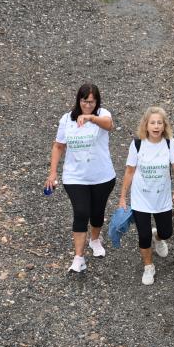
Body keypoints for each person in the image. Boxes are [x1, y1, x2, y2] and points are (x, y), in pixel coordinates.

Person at [45, 83, 116, 273]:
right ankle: (79, 257)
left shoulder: (102, 114)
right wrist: (53, 173)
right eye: (85, 101)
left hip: (102, 176)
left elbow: (110, 125)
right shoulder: (67, 119)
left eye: (92, 102)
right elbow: (58, 146)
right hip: (75, 177)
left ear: (97, 102)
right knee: (81, 212)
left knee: (97, 212)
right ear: (79, 100)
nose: (88, 105)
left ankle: (94, 239)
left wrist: (92, 118)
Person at [118, 107, 174, 285]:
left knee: (166, 232)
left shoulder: (169, 143)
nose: (156, 126)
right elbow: (129, 171)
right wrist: (123, 197)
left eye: (159, 123)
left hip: (162, 198)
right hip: (141, 198)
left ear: (164, 126)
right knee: (143, 235)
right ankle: (149, 267)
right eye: (152, 122)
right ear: (146, 125)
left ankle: (159, 237)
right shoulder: (138, 143)